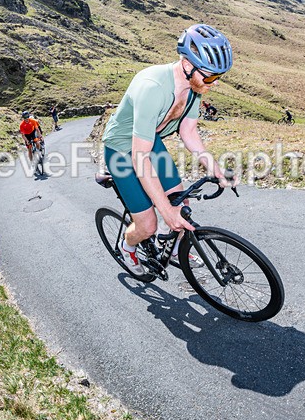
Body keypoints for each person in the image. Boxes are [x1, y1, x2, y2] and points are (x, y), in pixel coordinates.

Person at [102, 24, 238, 275]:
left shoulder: (193, 88)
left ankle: (171, 245)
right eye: (209, 76)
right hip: (122, 150)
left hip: (150, 141)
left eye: (218, 77)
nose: (213, 83)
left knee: (181, 201)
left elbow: (188, 133)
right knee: (148, 225)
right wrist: (165, 211)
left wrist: (217, 170)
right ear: (187, 65)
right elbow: (139, 158)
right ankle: (126, 246)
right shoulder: (152, 88)